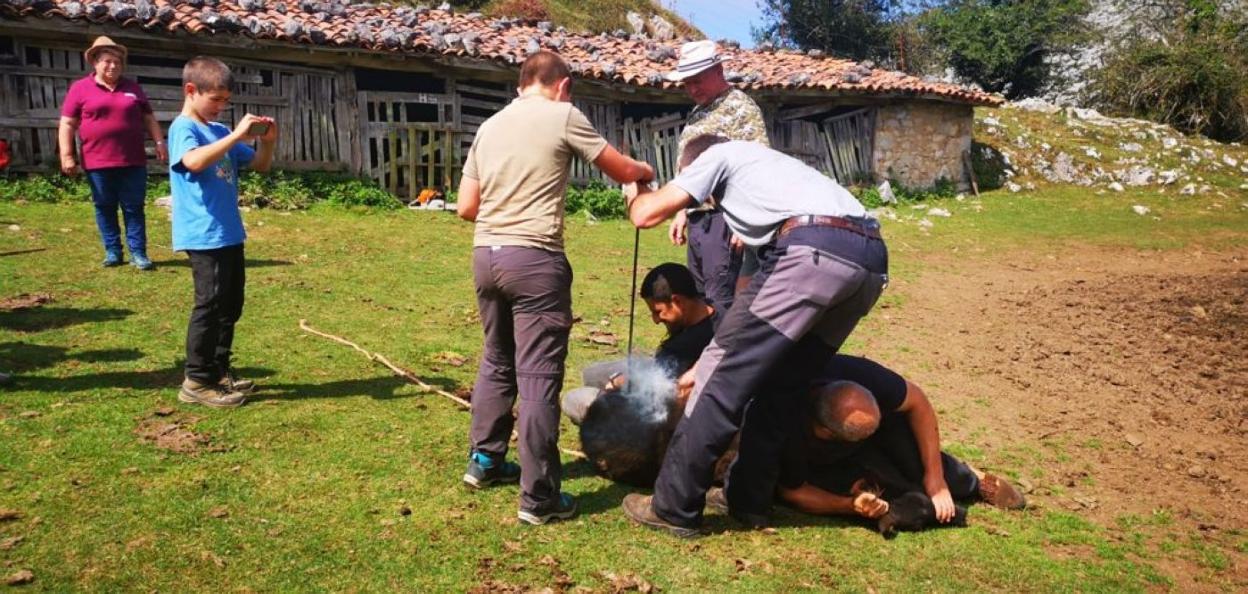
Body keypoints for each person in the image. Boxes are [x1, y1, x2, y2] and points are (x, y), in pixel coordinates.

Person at [620, 134, 888, 538]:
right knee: (783, 382)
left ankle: (673, 506)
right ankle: (749, 500)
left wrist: (633, 184)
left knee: (722, 386)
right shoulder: (770, 185)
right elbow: (748, 306)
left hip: (813, 250)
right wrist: (715, 354)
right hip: (868, 261)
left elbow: (645, 214)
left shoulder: (720, 156)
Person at [455, 50, 654, 526]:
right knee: (540, 376)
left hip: (487, 256)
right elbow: (620, 169)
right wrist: (644, 173)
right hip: (535, 259)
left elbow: (466, 206)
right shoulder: (563, 113)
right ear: (562, 85)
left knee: (497, 358)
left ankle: (484, 461)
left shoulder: (489, 125)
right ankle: (539, 496)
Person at [739, 356, 1026, 523]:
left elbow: (919, 402)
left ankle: (969, 478)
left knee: (926, 466)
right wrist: (848, 506)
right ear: (827, 432)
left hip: (872, 435)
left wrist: (936, 477)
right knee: (884, 492)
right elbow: (793, 492)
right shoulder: (785, 426)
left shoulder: (861, 376)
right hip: (825, 462)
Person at [168, 57, 277, 409]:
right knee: (210, 305)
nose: (221, 107)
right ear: (191, 91)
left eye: (226, 101)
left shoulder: (217, 131)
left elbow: (259, 166)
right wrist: (235, 135)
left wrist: (268, 142)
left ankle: (218, 370)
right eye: (215, 99)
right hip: (203, 233)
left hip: (230, 232)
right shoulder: (184, 128)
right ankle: (196, 380)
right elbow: (194, 162)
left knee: (230, 305)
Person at [665, 40, 770, 313]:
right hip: (699, 218)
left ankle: (725, 355)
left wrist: (747, 222)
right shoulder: (699, 112)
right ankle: (705, 353)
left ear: (718, 70)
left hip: (725, 219)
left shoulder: (740, 108)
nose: (692, 88)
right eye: (687, 83)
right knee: (700, 298)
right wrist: (681, 212)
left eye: (697, 80)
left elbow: (759, 167)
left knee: (721, 297)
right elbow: (689, 166)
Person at [561, 262, 719, 425]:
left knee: (573, 399)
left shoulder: (684, 348)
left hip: (670, 410)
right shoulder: (717, 312)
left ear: (677, 301)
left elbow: (660, 391)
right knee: (592, 373)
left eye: (658, 312)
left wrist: (616, 385)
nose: (655, 320)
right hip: (664, 374)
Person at [58, 36, 167, 270]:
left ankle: (138, 253)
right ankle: (113, 251)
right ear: (95, 62)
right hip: (97, 160)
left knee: (134, 207)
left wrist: (159, 142)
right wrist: (67, 156)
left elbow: (149, 118)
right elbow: (67, 123)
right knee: (105, 206)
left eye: (117, 61)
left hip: (132, 160)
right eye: (107, 61)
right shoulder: (80, 89)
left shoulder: (132, 88)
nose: (113, 66)